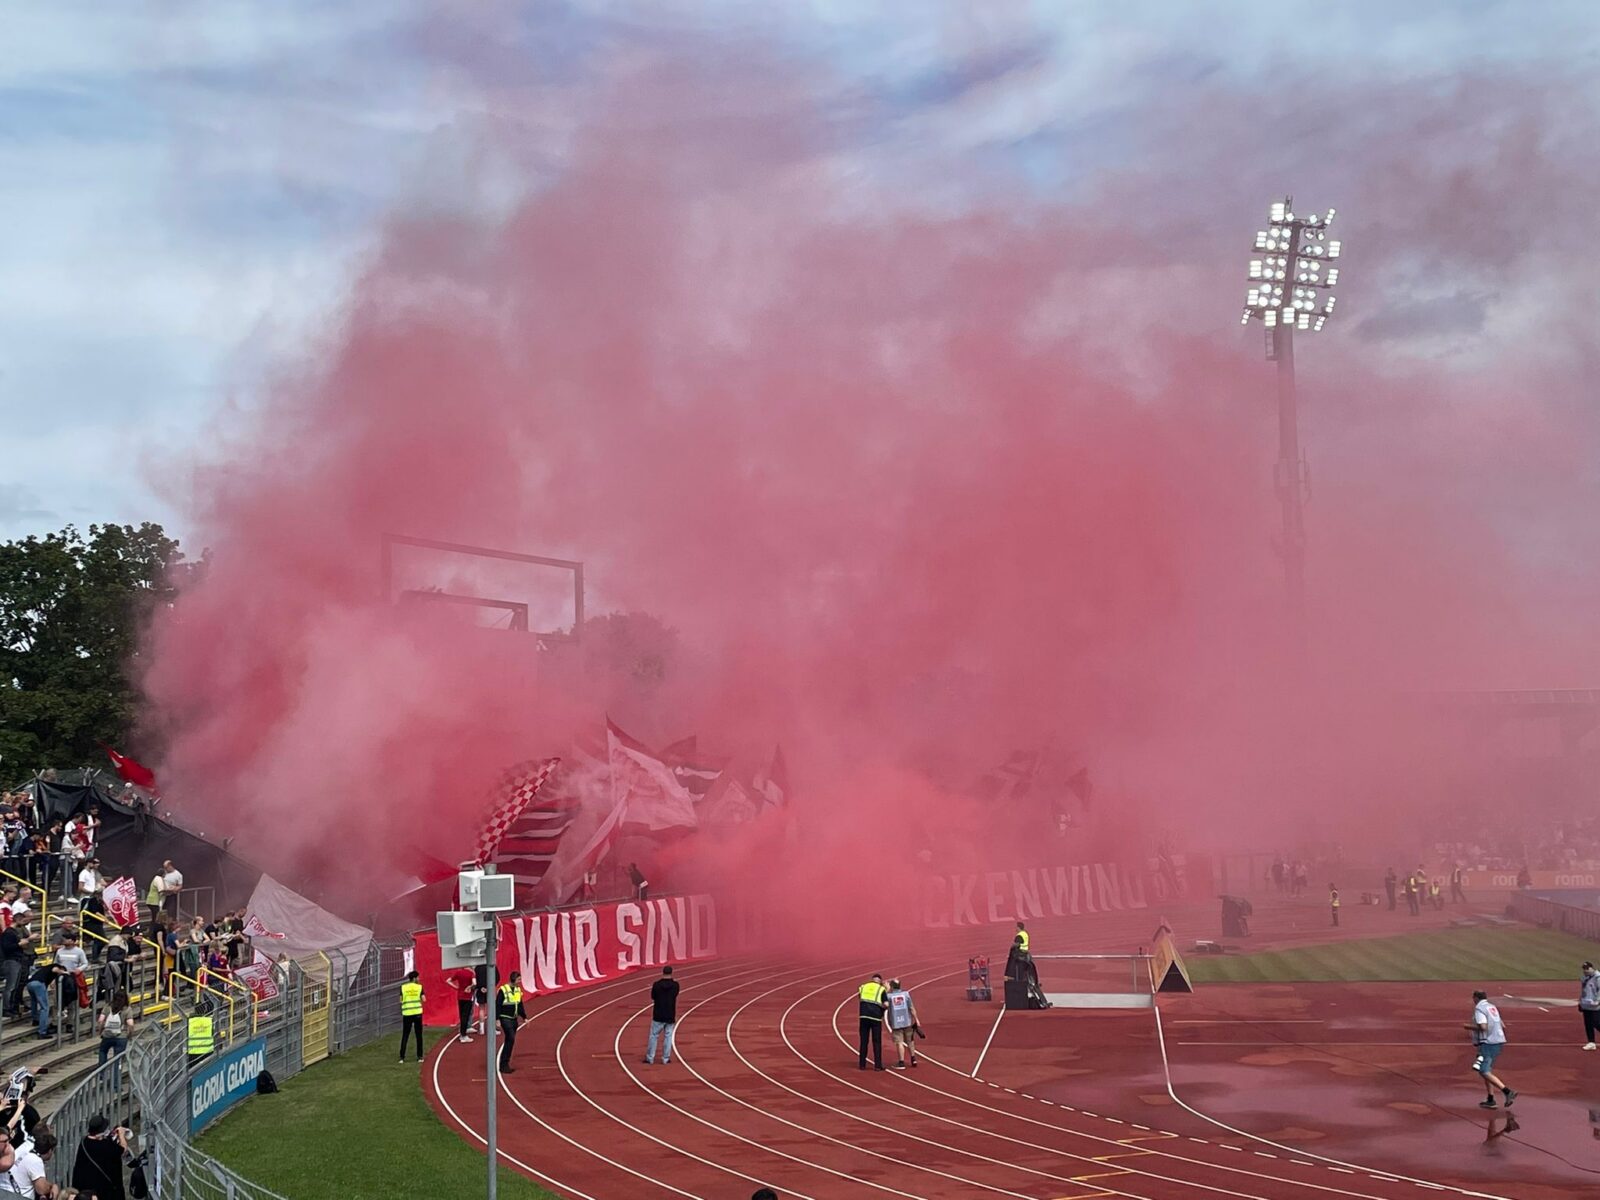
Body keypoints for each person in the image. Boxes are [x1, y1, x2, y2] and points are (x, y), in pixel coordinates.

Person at [1464, 989, 1516, 1110]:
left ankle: (1507, 1092)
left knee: (1483, 1071)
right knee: (1487, 1071)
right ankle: (1490, 1099)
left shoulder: (1480, 1009)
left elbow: (1483, 1027)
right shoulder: (1492, 1007)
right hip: (1497, 1041)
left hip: (1488, 1043)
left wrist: (1468, 1027)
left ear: (1476, 998)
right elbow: (1502, 1024)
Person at [70, 1115, 129, 1200]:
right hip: (105, 1191)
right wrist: (121, 1135)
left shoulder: (83, 1142)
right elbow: (123, 1149)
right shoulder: (106, 1146)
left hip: (85, 1191)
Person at [96, 991, 135, 1090]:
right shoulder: (127, 1009)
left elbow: (100, 1020)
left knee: (102, 1051)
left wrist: (100, 1031)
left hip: (107, 1036)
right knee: (118, 1061)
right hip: (121, 1037)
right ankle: (116, 1085)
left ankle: (102, 1073)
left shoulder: (107, 1007)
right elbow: (130, 1024)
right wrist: (129, 1035)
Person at [642, 966, 679, 1066]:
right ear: (671, 972)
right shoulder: (675, 985)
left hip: (658, 1014)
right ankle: (666, 1059)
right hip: (670, 1014)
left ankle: (650, 1058)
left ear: (663, 972)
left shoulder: (656, 985)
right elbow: (675, 995)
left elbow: (653, 997)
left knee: (654, 1036)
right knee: (668, 1037)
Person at [5, 1125, 55, 1197]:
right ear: (50, 1150)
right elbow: (41, 1189)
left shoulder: (25, 1146)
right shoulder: (35, 1159)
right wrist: (53, 1186)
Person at [884, 978, 919, 1069]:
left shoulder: (889, 997)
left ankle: (901, 1062)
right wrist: (916, 1019)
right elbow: (911, 1008)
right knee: (910, 1041)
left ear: (891, 987)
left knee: (899, 1042)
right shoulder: (906, 994)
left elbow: (883, 1003)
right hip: (907, 1022)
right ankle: (913, 1058)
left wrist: (886, 990)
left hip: (896, 1023)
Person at [856, 973, 888, 1071]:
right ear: (880, 981)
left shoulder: (863, 987)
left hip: (864, 1016)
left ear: (872, 979)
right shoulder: (881, 989)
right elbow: (886, 1004)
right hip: (876, 1018)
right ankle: (877, 1065)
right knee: (876, 1042)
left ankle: (862, 1064)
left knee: (864, 1041)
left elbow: (860, 998)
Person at [496, 971, 526, 1074]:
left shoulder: (517, 990)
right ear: (513, 979)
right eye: (518, 979)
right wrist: (497, 1019)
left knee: (510, 1041)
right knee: (511, 1038)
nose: (520, 981)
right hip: (505, 1018)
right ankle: (504, 1064)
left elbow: (520, 1004)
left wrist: (524, 1017)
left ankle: (505, 1063)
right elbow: (498, 1004)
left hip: (514, 1019)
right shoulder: (503, 990)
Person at [397, 970, 425, 1064]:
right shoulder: (419, 987)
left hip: (407, 1013)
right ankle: (420, 1057)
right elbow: (424, 999)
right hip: (417, 1013)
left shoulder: (403, 987)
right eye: (418, 977)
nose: (419, 979)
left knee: (405, 1035)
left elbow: (400, 1000)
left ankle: (402, 1057)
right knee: (418, 1035)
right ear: (414, 978)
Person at [445, 967, 476, 1044]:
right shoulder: (471, 973)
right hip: (468, 997)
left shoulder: (458, 973)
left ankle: (462, 1031)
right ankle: (463, 1035)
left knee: (462, 1015)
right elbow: (474, 983)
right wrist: (469, 987)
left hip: (460, 996)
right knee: (466, 1016)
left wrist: (456, 987)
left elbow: (448, 981)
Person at [1580, 961, 1599, 1051]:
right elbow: (1584, 991)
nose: (1585, 970)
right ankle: (1591, 1042)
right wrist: (1581, 1002)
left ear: (1592, 968)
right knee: (1588, 1024)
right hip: (1586, 1004)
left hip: (1595, 1005)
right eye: (1584, 969)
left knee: (1597, 1023)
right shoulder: (1584, 978)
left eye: (1587, 968)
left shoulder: (1598, 977)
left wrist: (1598, 1001)